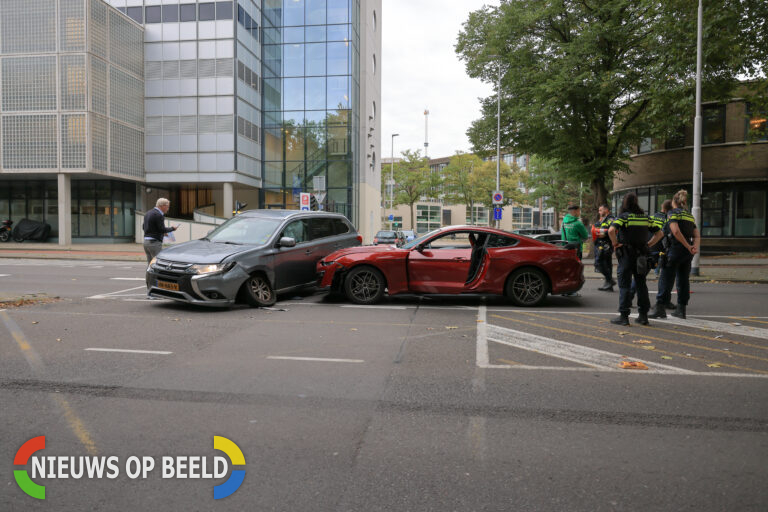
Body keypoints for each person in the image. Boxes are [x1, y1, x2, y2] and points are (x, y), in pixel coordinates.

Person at [608, 192, 664, 326]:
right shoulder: (645, 218)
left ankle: (624, 316)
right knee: (641, 284)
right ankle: (643, 316)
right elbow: (660, 233)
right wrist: (648, 244)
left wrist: (615, 243)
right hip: (642, 255)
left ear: (625, 203)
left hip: (626, 255)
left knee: (624, 285)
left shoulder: (624, 217)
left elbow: (611, 231)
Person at [649, 190, 700, 319]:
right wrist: (694, 247)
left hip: (674, 250)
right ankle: (681, 309)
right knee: (683, 280)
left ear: (673, 202)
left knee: (665, 279)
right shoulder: (689, 216)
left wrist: (687, 246)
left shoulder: (672, 213)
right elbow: (697, 235)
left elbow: (675, 232)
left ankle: (660, 307)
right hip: (687, 254)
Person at [143, 198, 178, 265]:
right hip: (154, 243)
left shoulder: (148, 213)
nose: (168, 209)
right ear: (163, 206)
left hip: (146, 243)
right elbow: (162, 229)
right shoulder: (159, 215)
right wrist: (172, 228)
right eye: (167, 207)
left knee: (150, 264)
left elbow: (144, 227)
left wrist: (158, 232)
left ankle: (149, 275)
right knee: (158, 263)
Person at [593, 204, 616, 291]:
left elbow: (606, 231)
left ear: (606, 210)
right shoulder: (602, 219)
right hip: (600, 244)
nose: (599, 212)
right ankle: (609, 285)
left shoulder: (610, 219)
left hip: (606, 245)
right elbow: (596, 228)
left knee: (598, 263)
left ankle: (609, 280)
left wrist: (600, 232)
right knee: (607, 265)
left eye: (600, 210)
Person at [650, 200, 673, 279]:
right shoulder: (667, 218)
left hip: (653, 239)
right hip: (663, 241)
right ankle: (658, 271)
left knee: (654, 256)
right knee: (662, 256)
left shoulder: (654, 216)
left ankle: (654, 270)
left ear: (662, 206)